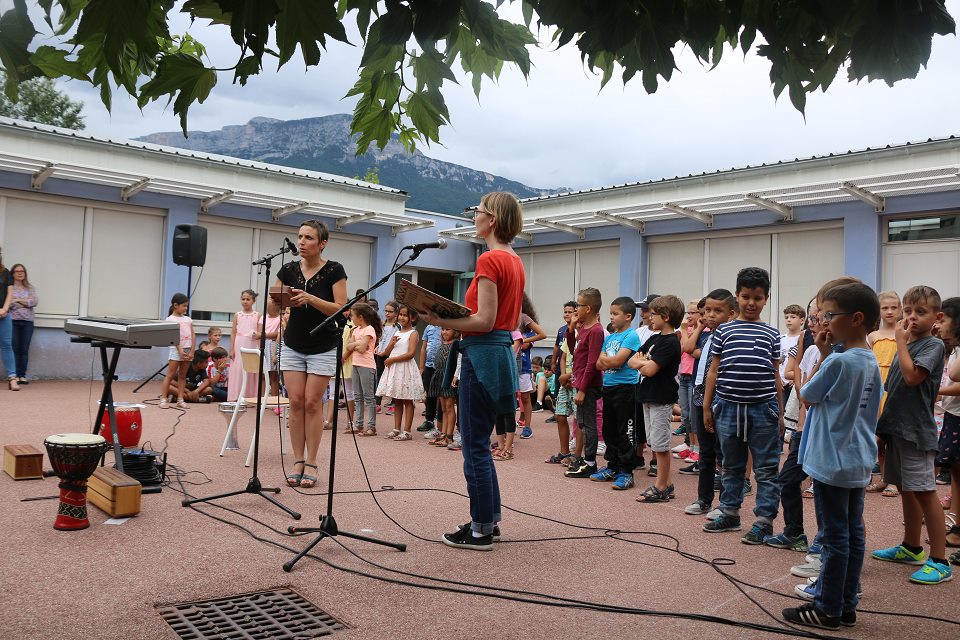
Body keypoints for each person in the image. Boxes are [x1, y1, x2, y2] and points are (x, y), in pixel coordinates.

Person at [423, 191, 524, 551]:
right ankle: (488, 521)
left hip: (481, 355)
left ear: (492, 219)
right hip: (497, 355)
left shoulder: (489, 260)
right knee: (481, 444)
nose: (474, 217)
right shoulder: (514, 258)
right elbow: (497, 320)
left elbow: (483, 319)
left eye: (477, 212)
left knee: (475, 448)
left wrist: (439, 318)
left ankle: (481, 530)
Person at [781, 282, 882, 630]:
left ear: (855, 319)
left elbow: (807, 392)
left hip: (831, 461)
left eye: (828, 316)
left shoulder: (840, 360)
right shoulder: (868, 359)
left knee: (835, 537)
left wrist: (822, 355)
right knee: (852, 534)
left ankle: (827, 608)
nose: (822, 324)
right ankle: (845, 600)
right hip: (856, 459)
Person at [871, 285, 951, 585]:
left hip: (917, 431)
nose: (912, 317)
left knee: (925, 491)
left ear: (937, 317)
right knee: (905, 487)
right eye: (908, 311)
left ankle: (940, 560)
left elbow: (912, 376)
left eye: (921, 312)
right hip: (897, 429)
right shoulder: (906, 343)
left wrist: (900, 344)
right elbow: (892, 387)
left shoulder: (933, 346)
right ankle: (911, 546)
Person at [703, 267, 784, 541]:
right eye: (746, 296)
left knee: (766, 468)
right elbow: (713, 370)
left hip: (763, 409)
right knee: (731, 465)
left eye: (758, 298)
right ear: (737, 296)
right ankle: (730, 513)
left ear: (766, 299)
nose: (751, 303)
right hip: (727, 408)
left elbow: (775, 375)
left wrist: (781, 414)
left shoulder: (773, 335)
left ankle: (764, 520)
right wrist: (707, 406)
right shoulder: (723, 331)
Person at [275, 220, 348, 489]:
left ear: (322, 243)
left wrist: (311, 299)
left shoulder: (334, 270)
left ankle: (313, 461)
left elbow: (342, 309)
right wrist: (275, 303)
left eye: (308, 237)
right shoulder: (288, 269)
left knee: (311, 403)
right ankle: (297, 460)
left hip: (323, 345)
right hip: (293, 344)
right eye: (300, 236)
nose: (302, 242)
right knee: (294, 402)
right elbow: (273, 312)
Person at [682, 290, 736, 516]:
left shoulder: (731, 338)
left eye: (716, 311)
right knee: (706, 452)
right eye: (707, 311)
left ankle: (726, 504)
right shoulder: (706, 336)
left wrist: (710, 402)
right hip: (698, 396)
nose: (710, 315)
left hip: (719, 401)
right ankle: (703, 499)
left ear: (731, 314)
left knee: (724, 454)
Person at [632, 295, 684, 503]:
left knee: (661, 444)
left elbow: (652, 370)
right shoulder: (654, 339)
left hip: (661, 397)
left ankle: (662, 486)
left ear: (666, 316)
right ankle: (667, 484)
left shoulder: (671, 342)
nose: (648, 318)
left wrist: (642, 363)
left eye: (653, 314)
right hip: (648, 395)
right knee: (654, 442)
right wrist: (641, 362)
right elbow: (631, 360)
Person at [593, 296, 641, 490]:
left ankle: (626, 471)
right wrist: (605, 359)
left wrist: (606, 359)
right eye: (610, 313)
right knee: (609, 429)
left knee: (625, 430)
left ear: (628, 316)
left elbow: (616, 362)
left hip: (626, 388)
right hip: (609, 387)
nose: (611, 317)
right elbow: (598, 363)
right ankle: (612, 466)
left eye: (615, 314)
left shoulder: (631, 336)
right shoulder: (611, 337)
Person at [564, 287, 605, 479]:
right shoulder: (583, 328)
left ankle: (590, 463)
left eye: (578, 305)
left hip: (588, 385)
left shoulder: (596, 331)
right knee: (581, 422)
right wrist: (571, 329)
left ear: (588, 308)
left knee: (588, 424)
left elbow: (592, 362)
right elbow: (574, 351)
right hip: (579, 382)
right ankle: (585, 460)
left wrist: (582, 389)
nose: (575, 310)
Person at [866, 290, 902, 496]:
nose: (889, 311)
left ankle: (893, 481)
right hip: (876, 387)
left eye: (893, 307)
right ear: (879, 311)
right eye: (885, 307)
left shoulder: (902, 333)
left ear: (900, 309)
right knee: (876, 434)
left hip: (894, 387)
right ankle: (882, 478)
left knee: (891, 436)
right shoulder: (873, 336)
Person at [934, 298, 960, 560]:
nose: (937, 324)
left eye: (943, 319)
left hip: (958, 418)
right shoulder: (952, 349)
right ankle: (957, 530)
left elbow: (955, 376)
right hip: (954, 414)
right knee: (955, 474)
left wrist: (936, 391)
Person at [377, 305, 424, 441]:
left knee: (408, 400)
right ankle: (396, 429)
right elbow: (386, 352)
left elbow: (410, 354)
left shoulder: (413, 333)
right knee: (397, 399)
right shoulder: (397, 333)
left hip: (405, 369)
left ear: (412, 318)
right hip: (396, 368)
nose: (402, 317)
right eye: (401, 315)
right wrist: (391, 344)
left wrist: (392, 359)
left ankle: (407, 431)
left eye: (405, 315)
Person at [346, 302, 381, 436]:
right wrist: (358, 343)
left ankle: (371, 427)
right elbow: (349, 347)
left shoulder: (369, 329)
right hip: (355, 364)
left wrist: (356, 345)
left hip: (367, 365)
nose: (351, 318)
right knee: (358, 396)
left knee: (368, 397)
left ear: (360, 317)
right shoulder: (355, 330)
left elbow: (362, 349)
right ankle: (358, 425)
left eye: (353, 316)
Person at [517, 297, 547, 439]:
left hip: (523, 366)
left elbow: (541, 334)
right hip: (508, 364)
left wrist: (523, 340)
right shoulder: (504, 315)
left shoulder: (524, 318)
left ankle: (527, 427)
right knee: (508, 398)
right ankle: (507, 428)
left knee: (525, 397)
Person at [227, 290, 262, 403]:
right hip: (239, 343)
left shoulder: (257, 315)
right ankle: (235, 396)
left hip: (252, 344)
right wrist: (231, 349)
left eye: (248, 299)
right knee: (238, 370)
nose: (245, 301)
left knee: (251, 370)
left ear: (253, 301)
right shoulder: (238, 315)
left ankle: (250, 397)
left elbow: (260, 334)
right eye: (243, 299)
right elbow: (233, 332)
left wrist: (259, 347)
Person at [428, 327, 461, 447]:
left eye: (448, 329)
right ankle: (443, 434)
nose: (444, 332)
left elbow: (457, 363)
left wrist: (455, 376)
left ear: (455, 331)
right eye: (442, 329)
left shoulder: (456, 345)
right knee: (443, 408)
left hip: (449, 377)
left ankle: (449, 436)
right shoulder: (442, 344)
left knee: (449, 406)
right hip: (439, 377)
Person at [160, 293, 193, 409]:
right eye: (184, 306)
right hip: (175, 349)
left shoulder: (188, 319)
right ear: (175, 305)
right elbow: (173, 337)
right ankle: (163, 399)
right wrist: (179, 350)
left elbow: (192, 335)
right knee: (170, 374)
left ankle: (180, 399)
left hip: (188, 349)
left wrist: (192, 350)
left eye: (186, 306)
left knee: (182, 376)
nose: (186, 308)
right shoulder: (170, 319)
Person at [8, 264, 37, 385]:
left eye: (22, 271)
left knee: (24, 350)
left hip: (27, 322)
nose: (20, 273)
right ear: (13, 274)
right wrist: (25, 303)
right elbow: (8, 304)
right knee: (14, 349)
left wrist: (17, 300)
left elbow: (34, 301)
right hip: (12, 321)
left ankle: (22, 375)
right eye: (17, 271)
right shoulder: (9, 288)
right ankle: (14, 376)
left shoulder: (30, 288)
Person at [418, 321, 443, 436]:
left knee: (442, 395)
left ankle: (441, 423)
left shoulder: (446, 326)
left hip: (442, 366)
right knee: (429, 393)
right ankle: (429, 420)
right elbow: (424, 347)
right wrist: (421, 367)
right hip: (429, 365)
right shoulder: (429, 327)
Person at [375, 300, 400, 414]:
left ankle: (394, 403)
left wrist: (385, 352)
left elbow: (396, 341)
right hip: (380, 355)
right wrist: (377, 348)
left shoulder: (397, 326)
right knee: (379, 378)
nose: (387, 313)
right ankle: (377, 403)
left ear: (396, 313)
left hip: (392, 355)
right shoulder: (382, 324)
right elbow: (380, 338)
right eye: (386, 311)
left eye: (390, 311)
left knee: (392, 379)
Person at [780, 303, 806, 402]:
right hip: (781, 383)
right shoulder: (780, 339)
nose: (788, 319)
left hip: (795, 383)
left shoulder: (804, 338)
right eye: (786, 317)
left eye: (793, 317)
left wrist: (796, 378)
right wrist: (777, 378)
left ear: (802, 320)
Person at [0, 247, 16, 390]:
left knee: (6, 345)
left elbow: (10, 294)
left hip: (4, 315)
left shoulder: (5, 273)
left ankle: (12, 378)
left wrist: (4, 309)